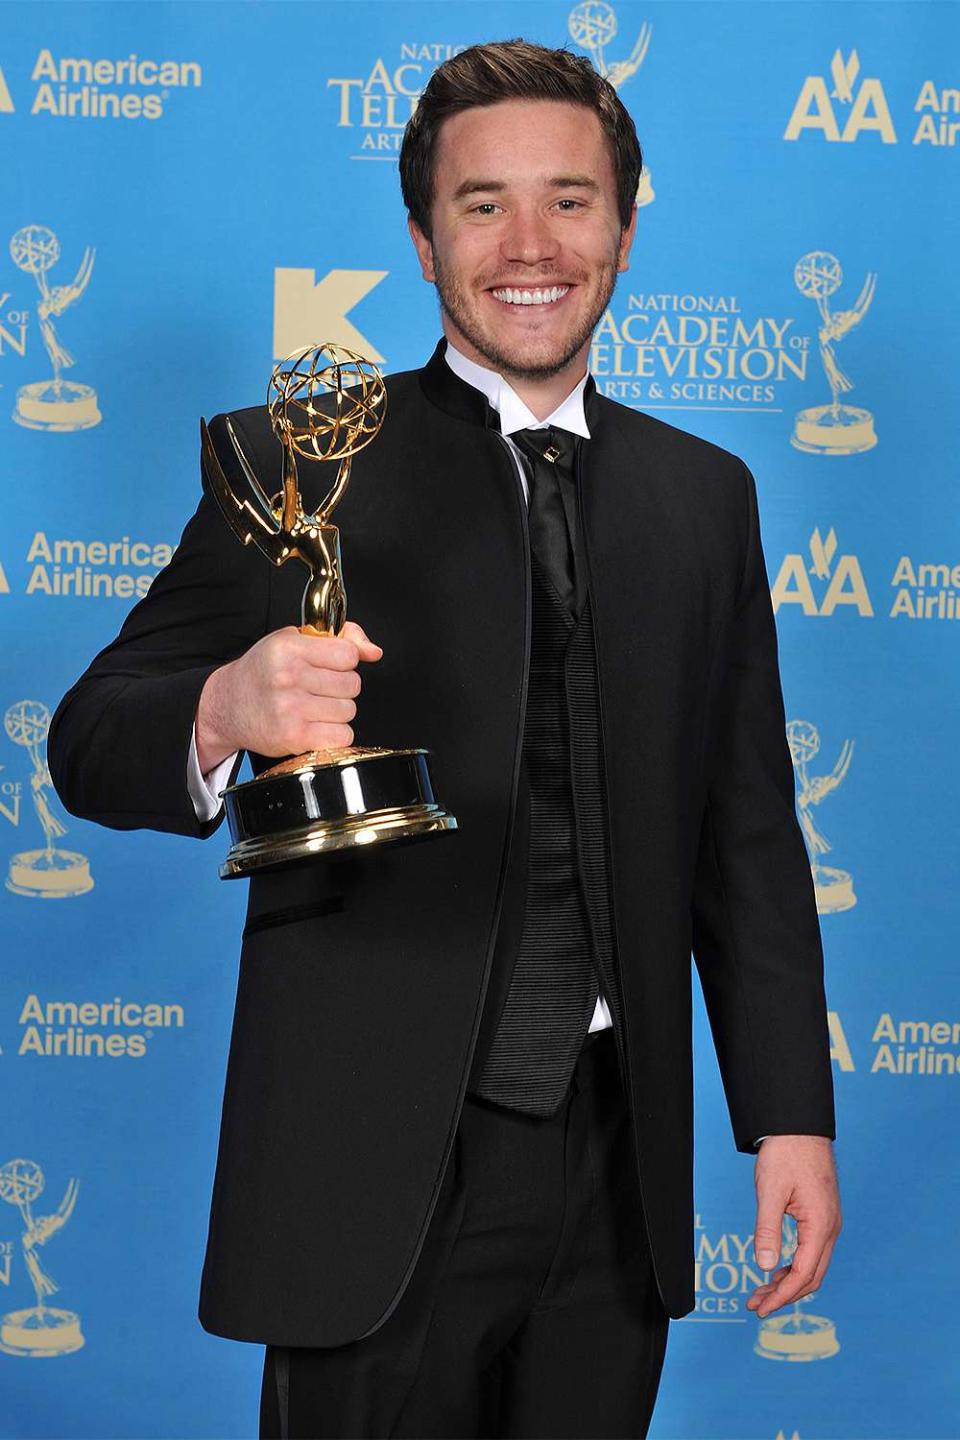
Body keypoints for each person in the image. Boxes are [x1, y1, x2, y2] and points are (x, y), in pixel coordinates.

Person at [48, 39, 840, 1440]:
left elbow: (748, 830)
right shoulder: (292, 460)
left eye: (571, 201)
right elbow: (89, 737)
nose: (531, 245)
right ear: (422, 239)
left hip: (616, 1166)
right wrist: (223, 708)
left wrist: (790, 1115)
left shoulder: (706, 497)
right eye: (483, 206)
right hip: (369, 1171)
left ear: (627, 224)